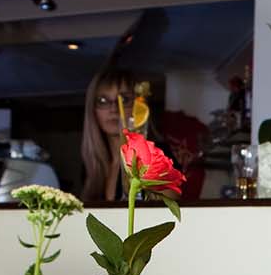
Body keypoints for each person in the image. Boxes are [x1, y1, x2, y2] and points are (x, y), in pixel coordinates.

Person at [80, 66, 206, 200]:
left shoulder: (156, 154)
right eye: (103, 101)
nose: (114, 108)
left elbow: (169, 206)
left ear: (139, 106)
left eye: (124, 100)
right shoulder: (92, 166)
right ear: (92, 109)